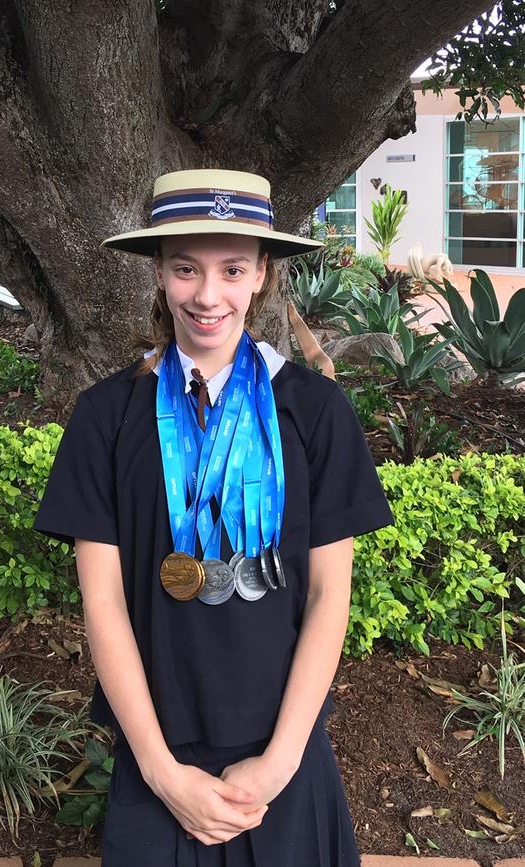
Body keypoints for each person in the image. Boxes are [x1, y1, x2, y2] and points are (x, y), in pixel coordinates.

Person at [33, 169, 395, 866]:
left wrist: (281, 761)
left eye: (231, 268)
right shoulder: (105, 418)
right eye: (185, 268)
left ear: (261, 273)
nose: (207, 294)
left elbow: (328, 594)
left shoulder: (317, 412)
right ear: (159, 275)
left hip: (284, 762)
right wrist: (164, 774)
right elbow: (103, 602)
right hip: (157, 763)